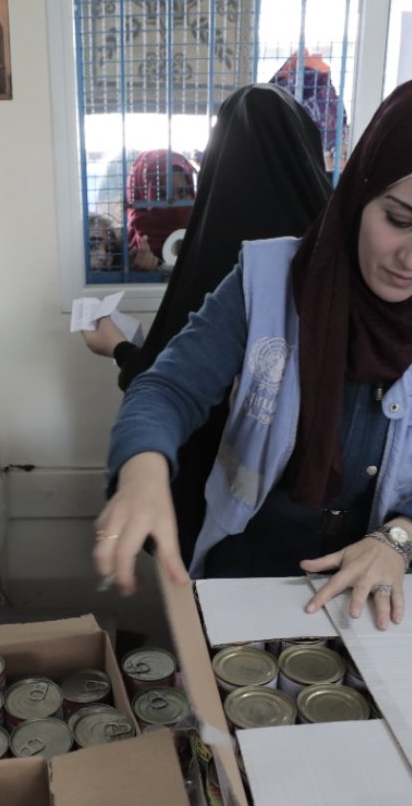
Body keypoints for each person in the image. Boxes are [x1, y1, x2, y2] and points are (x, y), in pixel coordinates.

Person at [93, 75, 412, 631]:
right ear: (360, 192)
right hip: (253, 566)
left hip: (382, 588)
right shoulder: (267, 281)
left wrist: (401, 538)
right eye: (399, 221)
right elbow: (169, 388)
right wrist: (144, 468)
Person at [82, 83, 333, 563]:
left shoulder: (228, 259)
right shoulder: (338, 256)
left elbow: (170, 383)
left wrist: (118, 348)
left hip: (228, 521)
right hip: (326, 520)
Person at [124, 149, 197, 272]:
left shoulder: (204, 240)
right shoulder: (116, 253)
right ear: (140, 196)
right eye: (162, 195)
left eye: (182, 193)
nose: (174, 204)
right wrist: (140, 277)